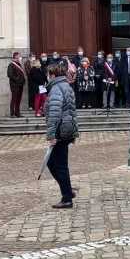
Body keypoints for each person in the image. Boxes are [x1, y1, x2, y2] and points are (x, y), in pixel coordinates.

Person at [44, 62, 79, 209]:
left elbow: (54, 113)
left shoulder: (57, 88)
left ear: (52, 75)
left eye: (47, 74)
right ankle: (67, 190)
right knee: (53, 163)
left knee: (59, 165)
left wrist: (51, 135)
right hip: (67, 128)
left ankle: (67, 197)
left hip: (60, 130)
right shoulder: (66, 86)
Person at [7, 52, 26, 117]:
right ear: (15, 57)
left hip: (20, 85)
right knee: (14, 99)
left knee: (18, 99)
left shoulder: (19, 64)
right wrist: (17, 79)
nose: (20, 58)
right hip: (15, 85)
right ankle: (12, 113)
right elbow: (10, 74)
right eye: (19, 56)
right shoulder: (11, 65)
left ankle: (17, 113)